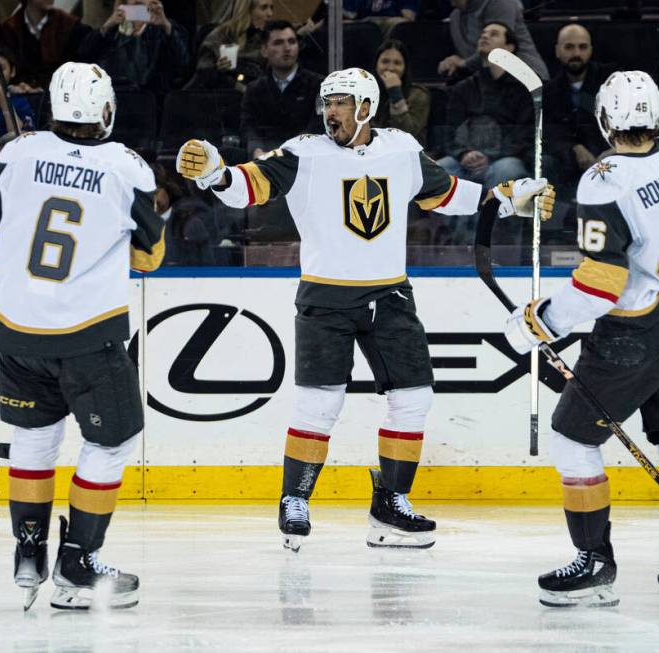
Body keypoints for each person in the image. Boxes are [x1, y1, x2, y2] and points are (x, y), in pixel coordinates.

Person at [177, 67, 553, 551]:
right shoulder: (302, 153)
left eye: (341, 102)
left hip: (389, 295)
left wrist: (505, 200)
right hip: (325, 296)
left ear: (367, 108)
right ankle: (294, 498)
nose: (330, 111)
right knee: (321, 403)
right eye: (326, 102)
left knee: (414, 397)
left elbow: (447, 194)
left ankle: (390, 506)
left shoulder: (400, 148)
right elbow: (246, 187)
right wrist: (214, 173)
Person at [503, 71, 659, 607]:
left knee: (573, 439)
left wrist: (542, 319)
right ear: (657, 113)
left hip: (631, 335)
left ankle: (594, 564)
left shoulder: (604, 179)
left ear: (605, 118)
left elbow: (601, 286)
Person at [0, 62, 164, 611]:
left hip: (15, 333)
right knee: (111, 442)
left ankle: (28, 553)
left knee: (34, 440)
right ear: (105, 110)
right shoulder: (128, 168)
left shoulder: (17, 152)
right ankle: (77, 562)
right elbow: (150, 258)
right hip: (88, 338)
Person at [437, 23, 532, 187]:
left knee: (506, 170)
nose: (485, 36)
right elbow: (451, 132)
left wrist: (489, 156)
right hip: (465, 159)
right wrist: (464, 154)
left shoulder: (523, 88)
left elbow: (524, 135)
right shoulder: (463, 88)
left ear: (509, 47)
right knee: (439, 170)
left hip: (503, 158)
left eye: (493, 34)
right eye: (483, 33)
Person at [542, 24, 614, 193]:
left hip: (612, 157)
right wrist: (574, 147)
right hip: (568, 165)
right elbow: (548, 133)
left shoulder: (612, 81)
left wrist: (616, 150)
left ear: (590, 50)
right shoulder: (548, 91)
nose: (576, 54)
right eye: (569, 47)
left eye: (582, 47)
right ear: (557, 51)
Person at [240, 20, 323, 157]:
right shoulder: (254, 89)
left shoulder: (318, 84)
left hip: (304, 158)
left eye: (292, 41)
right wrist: (256, 150)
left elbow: (318, 125)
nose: (287, 48)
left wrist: (290, 151)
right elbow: (248, 127)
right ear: (264, 50)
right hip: (265, 159)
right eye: (278, 43)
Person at [79, 0, 190, 101]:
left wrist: (166, 26)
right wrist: (107, 25)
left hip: (151, 100)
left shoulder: (164, 28)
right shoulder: (112, 31)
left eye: (140, 5)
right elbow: (84, 54)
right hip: (112, 97)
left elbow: (183, 62)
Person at [0, 0, 93, 91]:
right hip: (17, 99)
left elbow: (73, 72)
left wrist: (42, 89)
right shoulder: (6, 30)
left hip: (57, 99)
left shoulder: (69, 27)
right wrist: (15, 88)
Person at [439, 0, 547, 82]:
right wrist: (450, 63)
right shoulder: (455, 17)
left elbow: (497, 50)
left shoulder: (499, 3)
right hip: (484, 81)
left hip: (523, 76)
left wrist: (464, 63)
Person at [192, 0, 274, 90]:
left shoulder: (268, 37)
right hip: (221, 96)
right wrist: (218, 70)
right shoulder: (221, 36)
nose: (270, 14)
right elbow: (202, 75)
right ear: (247, 10)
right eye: (264, 8)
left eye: (271, 8)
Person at [372, 39, 430, 147]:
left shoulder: (418, 95)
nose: (391, 68)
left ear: (405, 68)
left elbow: (408, 134)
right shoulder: (365, 92)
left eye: (397, 63)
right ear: (376, 65)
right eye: (385, 62)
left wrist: (395, 94)